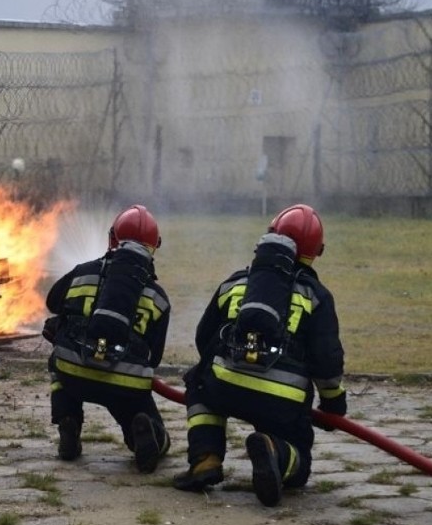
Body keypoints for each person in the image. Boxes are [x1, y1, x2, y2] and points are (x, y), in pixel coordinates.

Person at [173, 203, 346, 506]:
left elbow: (204, 338)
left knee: (198, 381)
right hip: (282, 402)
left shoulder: (237, 282)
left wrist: (225, 371)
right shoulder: (317, 296)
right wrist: (333, 402)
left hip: (224, 386)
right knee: (300, 458)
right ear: (315, 251)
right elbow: (326, 360)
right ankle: (275, 451)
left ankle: (206, 459)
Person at [43, 204, 171, 472]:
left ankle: (69, 420)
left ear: (112, 238)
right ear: (154, 246)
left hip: (73, 371)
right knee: (151, 426)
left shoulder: (83, 272)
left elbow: (53, 302)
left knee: (59, 356)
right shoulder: (158, 297)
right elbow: (154, 358)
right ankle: (144, 433)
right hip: (125, 383)